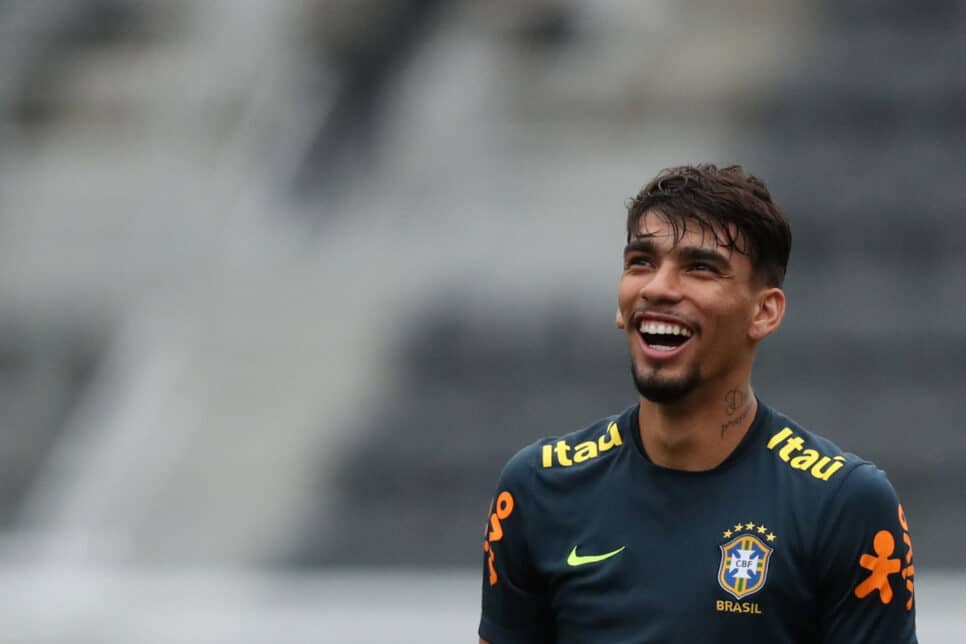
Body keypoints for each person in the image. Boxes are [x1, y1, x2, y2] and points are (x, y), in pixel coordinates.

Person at [478, 164, 917, 643]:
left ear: (764, 311)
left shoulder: (843, 505)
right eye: (641, 262)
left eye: (700, 267)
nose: (657, 288)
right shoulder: (539, 488)